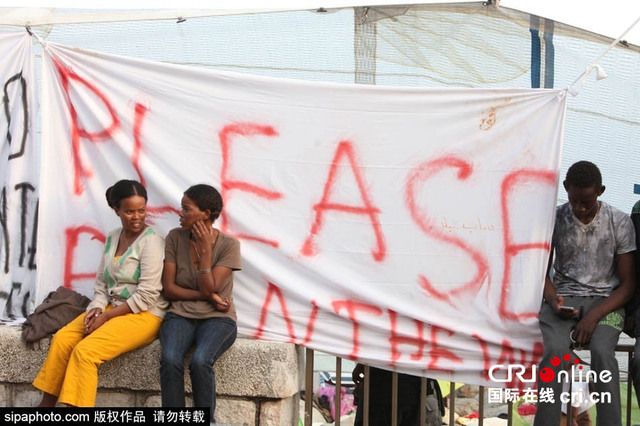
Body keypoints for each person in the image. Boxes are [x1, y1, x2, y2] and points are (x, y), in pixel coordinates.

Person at [33, 179, 168, 407]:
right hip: (112, 308)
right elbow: (102, 284)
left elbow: (147, 295)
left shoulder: (152, 242)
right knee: (63, 339)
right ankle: (45, 407)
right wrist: (96, 308)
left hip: (144, 314)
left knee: (85, 352)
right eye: (129, 211)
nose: (137, 217)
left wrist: (105, 318)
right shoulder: (113, 237)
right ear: (116, 210)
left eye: (141, 210)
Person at [534, 161, 635, 426]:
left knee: (603, 352)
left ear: (600, 191)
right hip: (565, 298)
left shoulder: (619, 221)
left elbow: (628, 284)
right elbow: (541, 274)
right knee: (554, 353)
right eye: (574, 200)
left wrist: (594, 317)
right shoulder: (555, 219)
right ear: (566, 188)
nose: (579, 208)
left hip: (608, 304)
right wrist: (553, 300)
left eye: (587, 203)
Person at [159, 184, 241, 422]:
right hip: (180, 315)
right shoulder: (175, 237)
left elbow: (211, 286)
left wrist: (206, 251)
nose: (180, 214)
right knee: (170, 359)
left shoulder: (229, 245)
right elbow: (170, 288)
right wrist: (209, 297)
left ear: (206, 213)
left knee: (200, 360)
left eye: (186, 209)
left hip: (219, 319)